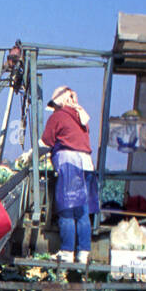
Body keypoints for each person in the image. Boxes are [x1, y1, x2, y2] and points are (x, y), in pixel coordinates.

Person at [40, 87, 99, 266]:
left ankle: (66, 252)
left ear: (58, 103)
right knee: (81, 211)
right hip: (87, 166)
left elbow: (45, 143)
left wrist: (30, 156)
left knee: (66, 210)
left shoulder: (58, 117)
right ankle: (83, 253)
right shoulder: (81, 117)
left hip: (70, 164)